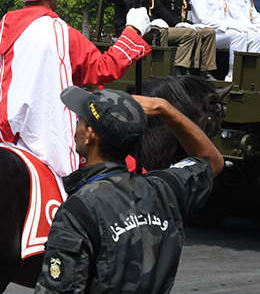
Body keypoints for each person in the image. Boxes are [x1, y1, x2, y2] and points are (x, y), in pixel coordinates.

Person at [0, 0, 152, 178]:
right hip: (40, 132)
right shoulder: (60, 32)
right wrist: (134, 28)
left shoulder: (6, 25)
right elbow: (103, 69)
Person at [34, 86, 222, 293]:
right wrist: (166, 109)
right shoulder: (165, 190)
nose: (75, 127)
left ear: (89, 135)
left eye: (80, 121)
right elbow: (211, 161)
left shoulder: (79, 211)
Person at [145, 0, 217, 79]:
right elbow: (158, 8)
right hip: (164, 26)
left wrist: (186, 23)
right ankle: (182, 67)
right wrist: (176, 23)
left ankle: (205, 69)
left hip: (177, 24)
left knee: (209, 32)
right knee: (191, 33)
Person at [189, 0, 260, 81]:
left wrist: (236, 25)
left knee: (253, 34)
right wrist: (228, 26)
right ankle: (233, 74)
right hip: (207, 33)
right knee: (239, 35)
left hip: (219, 31)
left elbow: (226, 16)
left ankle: (249, 71)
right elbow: (204, 19)